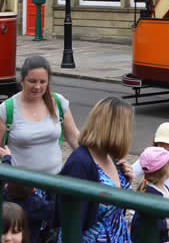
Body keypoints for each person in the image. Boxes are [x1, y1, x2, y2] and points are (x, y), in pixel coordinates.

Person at [57, 97, 135, 242]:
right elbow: (72, 220)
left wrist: (126, 182)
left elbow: (115, 212)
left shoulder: (110, 157)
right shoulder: (80, 162)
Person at [0, 56, 80, 175]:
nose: (37, 87)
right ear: (22, 80)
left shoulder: (58, 102)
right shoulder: (7, 109)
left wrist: (95, 163)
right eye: (32, 81)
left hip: (54, 184)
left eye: (43, 82)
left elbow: (74, 138)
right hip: (20, 187)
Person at [129, 122, 169, 199]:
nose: (162, 147)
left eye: (166, 144)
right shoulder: (150, 158)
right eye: (160, 143)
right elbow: (131, 173)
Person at [130, 147, 169, 242]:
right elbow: (140, 223)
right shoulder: (152, 195)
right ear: (164, 169)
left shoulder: (163, 188)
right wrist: (164, 224)